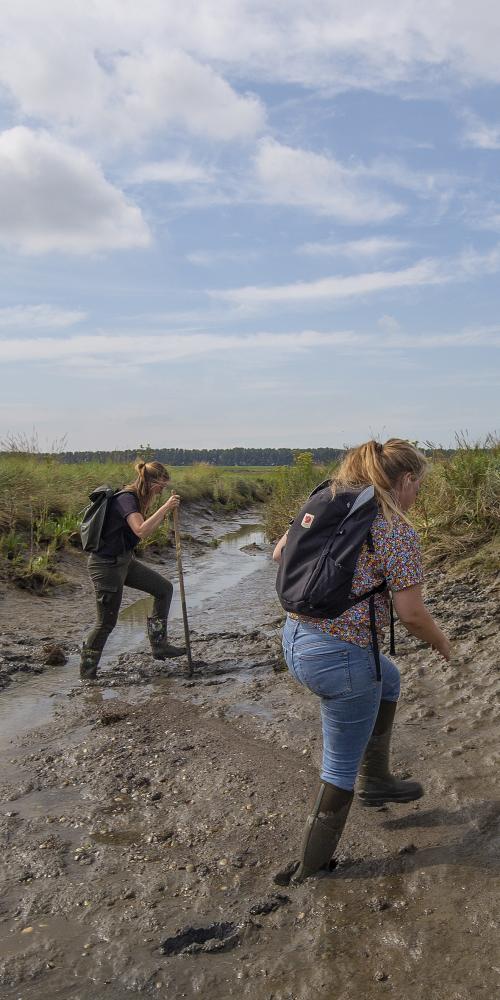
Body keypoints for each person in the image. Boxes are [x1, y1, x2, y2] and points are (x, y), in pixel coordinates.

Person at [273, 439, 451, 884]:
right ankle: (310, 870)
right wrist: (442, 643)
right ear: (405, 480)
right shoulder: (394, 528)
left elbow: (280, 554)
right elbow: (411, 615)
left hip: (296, 639)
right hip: (341, 660)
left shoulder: (328, 501)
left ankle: (379, 779)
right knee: (338, 768)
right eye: (418, 485)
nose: (417, 495)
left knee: (387, 677)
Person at [80, 460, 185, 680]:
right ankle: (87, 673)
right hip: (106, 566)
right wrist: (166, 507)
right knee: (105, 623)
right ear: (150, 481)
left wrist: (165, 512)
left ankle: (159, 645)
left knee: (164, 589)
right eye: (161, 486)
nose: (161, 491)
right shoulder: (127, 499)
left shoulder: (137, 499)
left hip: (124, 561)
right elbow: (140, 530)